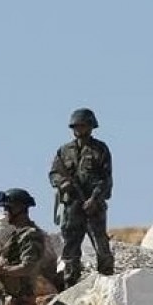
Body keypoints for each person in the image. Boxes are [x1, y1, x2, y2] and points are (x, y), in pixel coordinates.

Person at [48, 107, 114, 288]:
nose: (78, 129)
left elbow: (106, 179)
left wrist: (94, 199)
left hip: (94, 205)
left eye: (82, 125)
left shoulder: (100, 149)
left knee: (101, 246)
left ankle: (106, 282)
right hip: (72, 206)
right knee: (70, 248)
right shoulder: (64, 151)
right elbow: (54, 173)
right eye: (75, 126)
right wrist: (62, 184)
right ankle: (70, 284)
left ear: (91, 126)